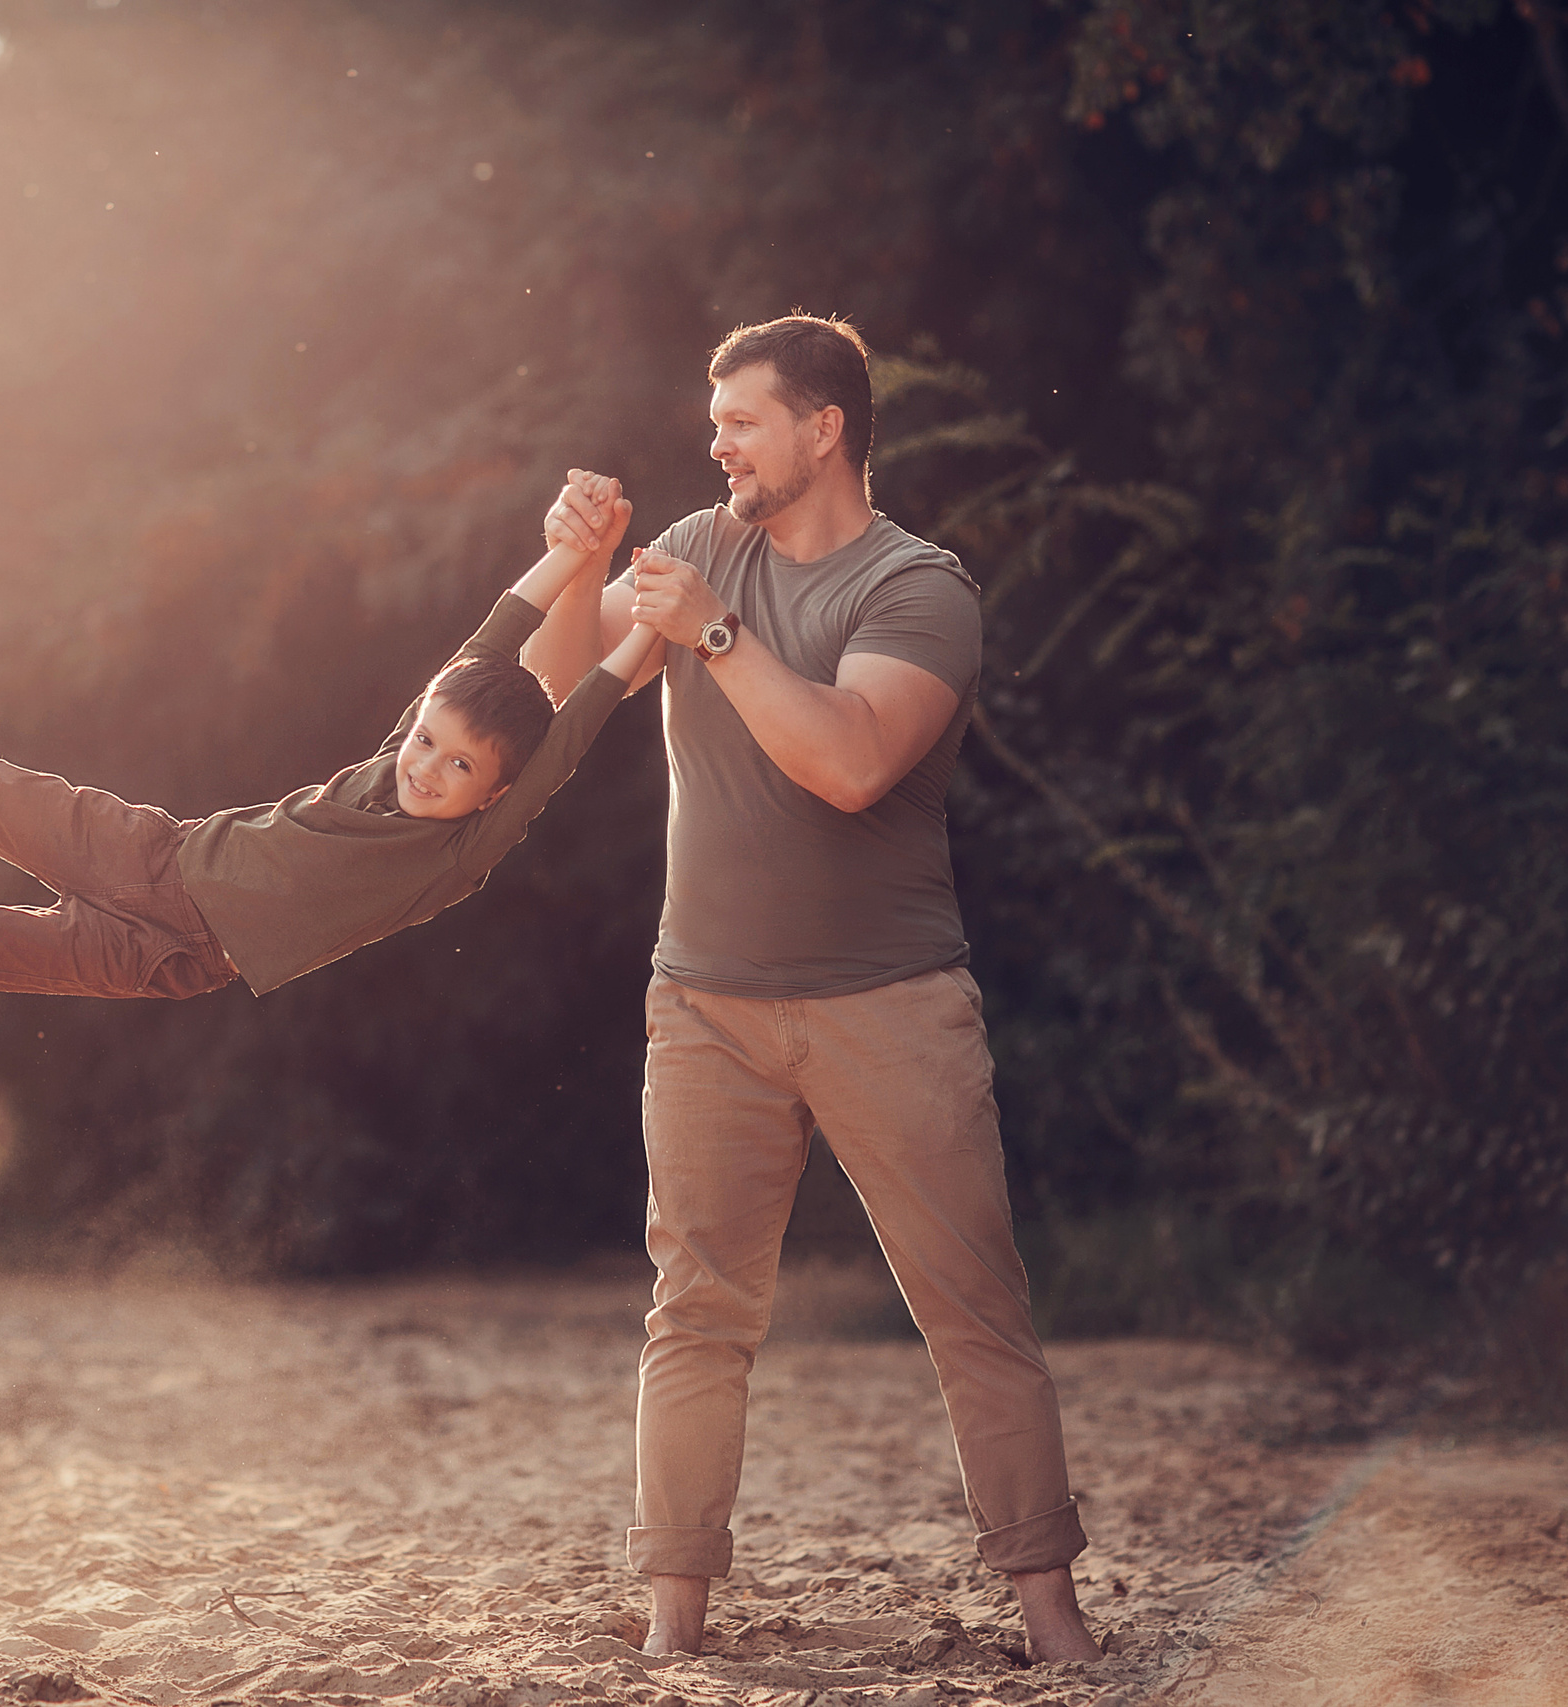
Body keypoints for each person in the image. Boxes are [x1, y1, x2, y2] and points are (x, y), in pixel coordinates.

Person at [522, 317, 1102, 1663]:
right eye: (713, 420)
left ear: (824, 428)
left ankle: (1054, 1620)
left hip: (890, 1004)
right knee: (696, 1310)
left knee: (971, 1309)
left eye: (742, 419)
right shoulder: (698, 546)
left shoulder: (918, 587)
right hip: (704, 1007)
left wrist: (713, 632)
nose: (716, 442)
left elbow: (848, 762)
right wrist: (579, 565)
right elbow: (553, 685)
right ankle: (674, 1626)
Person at [0, 477, 662, 997]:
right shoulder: (392, 759)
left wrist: (639, 645)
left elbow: (567, 741)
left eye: (459, 767)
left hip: (167, 958)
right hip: (151, 852)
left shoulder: (457, 857)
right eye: (429, 741)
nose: (427, 768)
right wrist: (569, 555)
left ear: (494, 794)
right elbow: (489, 637)